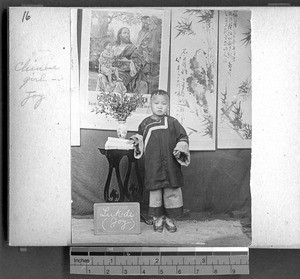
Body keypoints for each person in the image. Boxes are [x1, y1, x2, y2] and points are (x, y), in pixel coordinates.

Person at [131, 90, 190, 233]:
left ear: (168, 105)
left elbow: (183, 138)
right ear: (150, 104)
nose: (160, 106)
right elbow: (140, 141)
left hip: (170, 164)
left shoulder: (173, 122)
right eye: (156, 103)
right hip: (153, 164)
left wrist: (180, 147)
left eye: (163, 104)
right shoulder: (145, 123)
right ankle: (157, 218)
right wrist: (136, 141)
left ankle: (170, 218)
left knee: (172, 190)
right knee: (155, 191)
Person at [112, 27, 145, 93]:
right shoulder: (114, 48)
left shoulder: (132, 48)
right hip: (114, 70)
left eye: (128, 33)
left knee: (118, 82)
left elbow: (138, 62)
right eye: (124, 33)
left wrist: (128, 61)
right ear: (119, 35)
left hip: (126, 73)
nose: (127, 35)